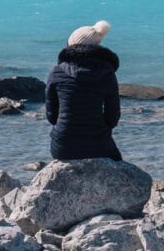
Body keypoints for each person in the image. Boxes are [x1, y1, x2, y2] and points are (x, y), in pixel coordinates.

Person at [45, 19, 122, 161]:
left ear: (71, 45)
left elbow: (52, 117)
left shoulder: (57, 72)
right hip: (98, 145)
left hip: (63, 147)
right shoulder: (107, 74)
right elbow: (112, 118)